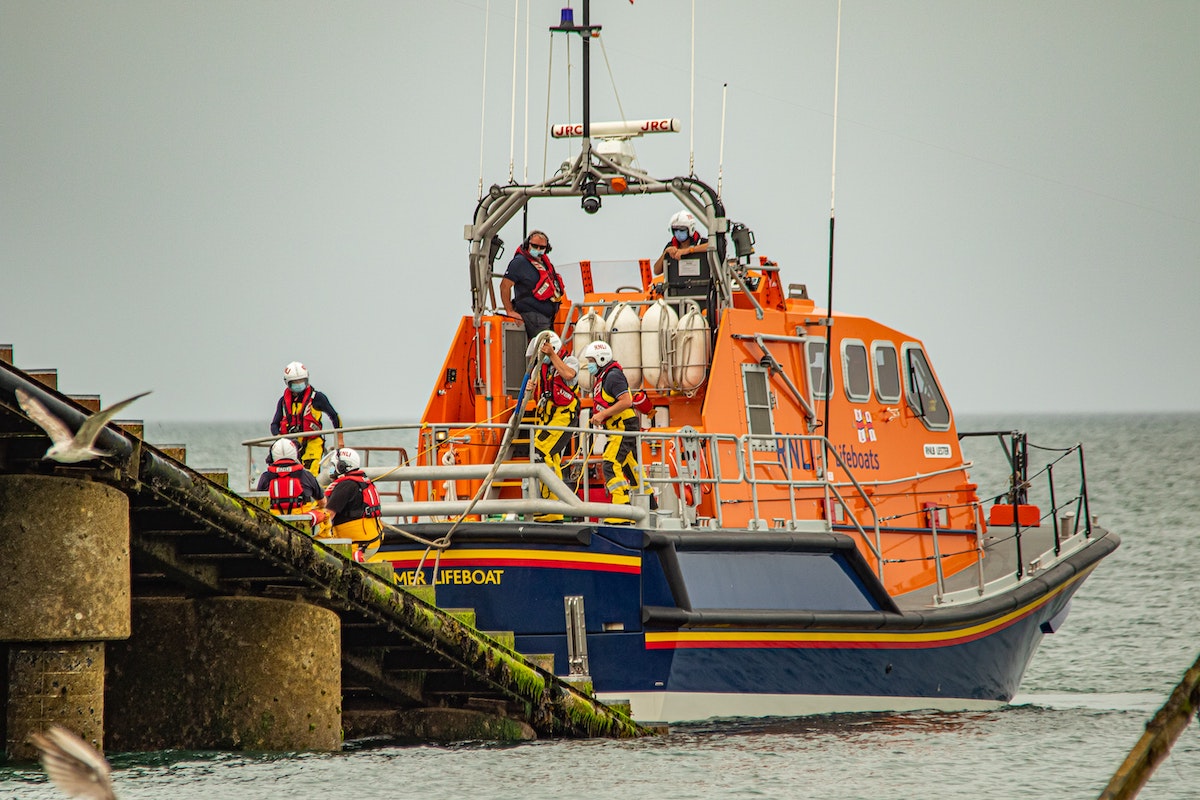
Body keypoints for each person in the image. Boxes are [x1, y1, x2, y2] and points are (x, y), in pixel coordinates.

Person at [580, 340, 642, 524]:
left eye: (591, 361)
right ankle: (649, 504)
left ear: (601, 359)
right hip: (618, 428)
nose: (589, 365)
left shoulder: (613, 376)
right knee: (631, 468)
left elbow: (626, 401)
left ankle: (622, 510)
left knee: (611, 463)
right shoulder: (605, 376)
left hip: (623, 427)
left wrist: (603, 414)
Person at [530, 332, 580, 523]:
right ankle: (551, 506)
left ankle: (554, 506)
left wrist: (552, 355)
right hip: (547, 417)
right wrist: (531, 388)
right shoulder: (541, 368)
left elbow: (569, 375)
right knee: (550, 458)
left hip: (564, 416)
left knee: (541, 451)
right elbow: (537, 391)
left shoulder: (569, 361)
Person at [270, 361, 343, 476]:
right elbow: (274, 425)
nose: (299, 384)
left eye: (301, 381)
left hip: (313, 442)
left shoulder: (317, 398)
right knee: (288, 473)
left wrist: (340, 439)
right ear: (288, 383)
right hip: (291, 446)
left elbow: (334, 416)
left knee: (311, 473)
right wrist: (279, 439)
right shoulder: (283, 402)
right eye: (295, 382)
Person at [500, 230, 565, 339]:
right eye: (535, 246)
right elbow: (504, 286)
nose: (538, 249)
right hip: (532, 316)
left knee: (553, 346)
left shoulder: (546, 265)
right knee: (546, 347)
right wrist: (509, 311)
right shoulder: (519, 262)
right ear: (527, 245)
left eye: (542, 247)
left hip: (548, 318)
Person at [255, 438, 328, 530]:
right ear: (295, 453)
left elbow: (258, 503)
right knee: (324, 514)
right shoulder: (306, 475)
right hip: (302, 525)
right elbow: (322, 502)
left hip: (274, 525)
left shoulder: (265, 477)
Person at [323, 447, 384, 557]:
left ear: (341, 466)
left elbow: (328, 515)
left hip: (358, 545)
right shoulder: (361, 481)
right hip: (372, 540)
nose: (331, 469)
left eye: (333, 465)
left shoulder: (346, 485)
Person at [652, 210, 708, 276]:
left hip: (701, 281)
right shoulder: (671, 245)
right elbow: (656, 271)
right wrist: (665, 253)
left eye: (682, 230)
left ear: (691, 229)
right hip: (678, 281)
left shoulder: (701, 242)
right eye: (675, 230)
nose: (678, 233)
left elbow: (713, 245)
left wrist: (689, 250)